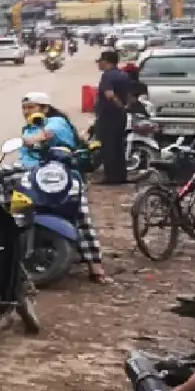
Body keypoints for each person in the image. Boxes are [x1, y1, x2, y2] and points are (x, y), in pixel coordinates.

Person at [20, 93, 112, 284]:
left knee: (81, 217)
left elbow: (46, 135)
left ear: (45, 108)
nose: (27, 111)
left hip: (63, 177)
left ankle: (96, 268)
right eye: (25, 108)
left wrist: (33, 138)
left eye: (31, 107)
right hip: (34, 176)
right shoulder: (29, 126)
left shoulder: (56, 122)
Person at [96, 49, 134, 185]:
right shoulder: (123, 75)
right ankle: (120, 175)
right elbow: (129, 95)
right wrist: (125, 108)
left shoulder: (107, 76)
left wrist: (120, 106)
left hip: (109, 116)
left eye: (100, 61)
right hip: (120, 117)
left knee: (108, 146)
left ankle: (110, 176)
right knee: (118, 146)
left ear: (106, 62)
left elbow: (110, 95)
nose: (98, 64)